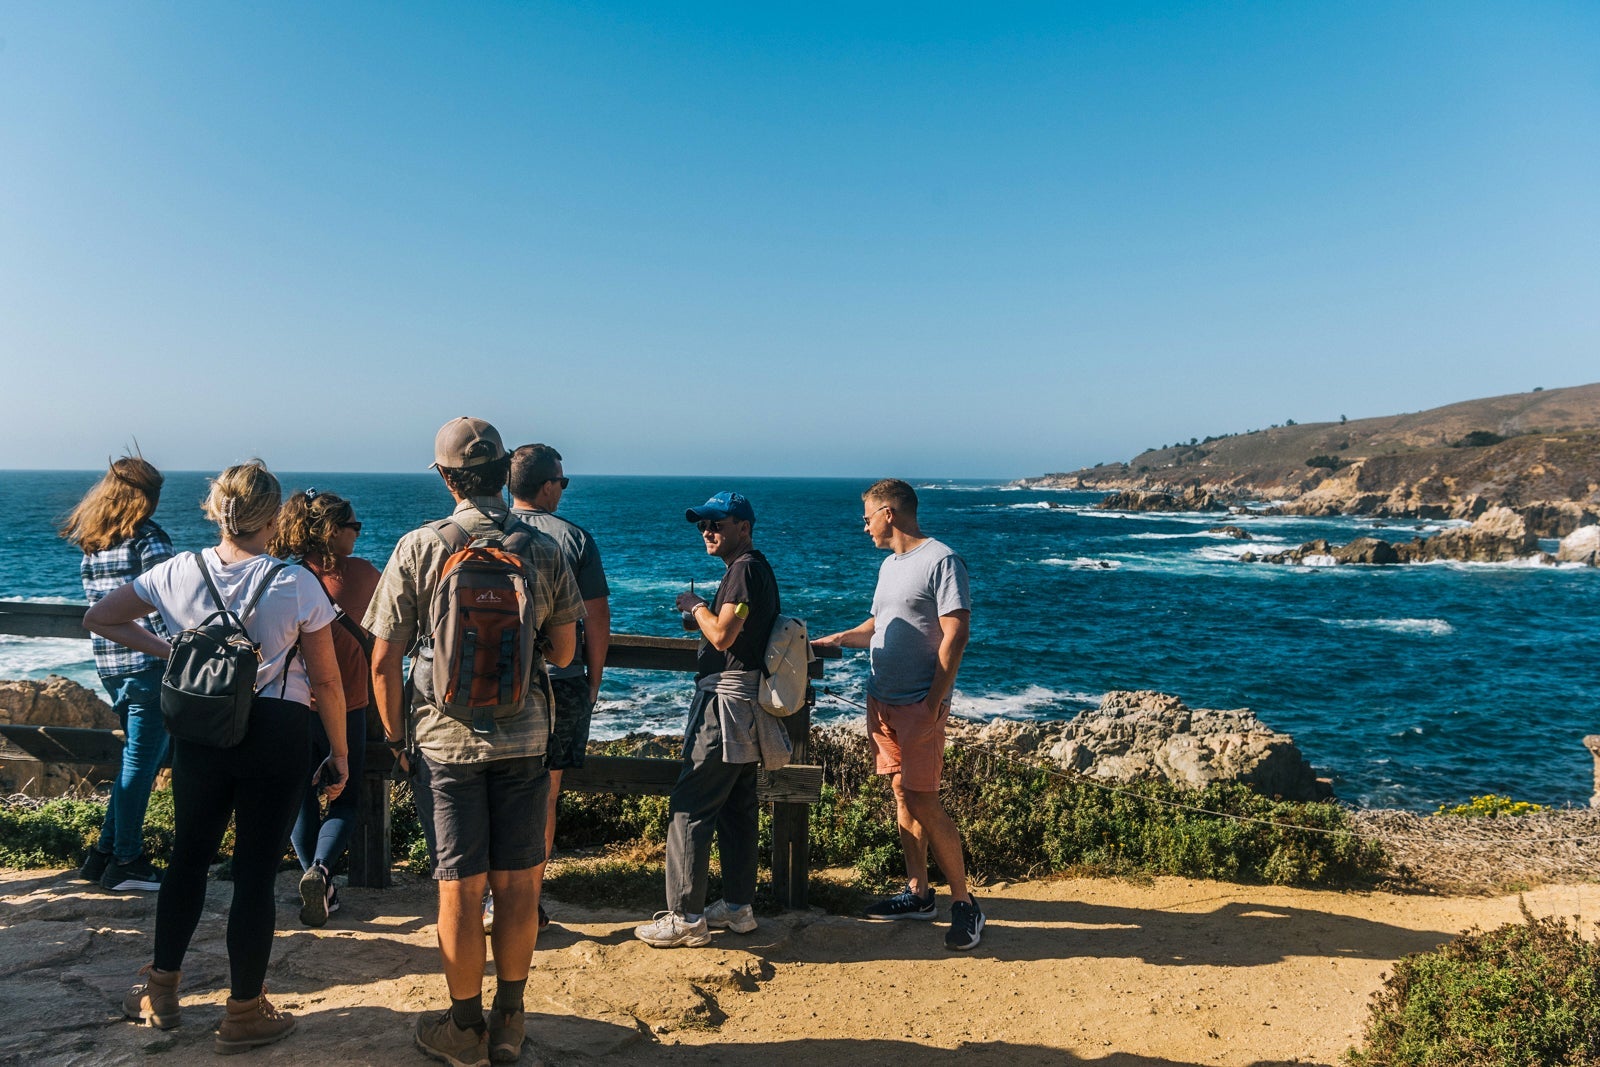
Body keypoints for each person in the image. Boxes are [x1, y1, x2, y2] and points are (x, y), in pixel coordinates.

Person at [84, 460, 349, 1052]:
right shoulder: (294, 582)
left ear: (216, 509)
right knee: (255, 872)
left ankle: (162, 990)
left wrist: (171, 647)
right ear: (274, 517)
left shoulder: (176, 571)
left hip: (201, 729)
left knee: (188, 857)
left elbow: (99, 617)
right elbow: (328, 682)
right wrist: (340, 753)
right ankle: (244, 1012)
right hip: (278, 729)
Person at [364, 417, 582, 1067]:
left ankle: (464, 1027)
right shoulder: (543, 548)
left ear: (447, 476)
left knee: (459, 887)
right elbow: (566, 649)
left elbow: (383, 661)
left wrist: (398, 737)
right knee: (520, 885)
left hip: (445, 742)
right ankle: (510, 1019)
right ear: (503, 472)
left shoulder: (420, 546)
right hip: (524, 740)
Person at [813, 479, 982, 950]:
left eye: (866, 516)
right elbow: (878, 625)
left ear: (888, 513)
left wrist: (933, 702)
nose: (862, 525)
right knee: (902, 794)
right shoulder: (890, 566)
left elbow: (957, 634)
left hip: (917, 706)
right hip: (882, 700)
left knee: (924, 800)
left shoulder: (942, 560)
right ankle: (918, 893)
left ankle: (966, 905)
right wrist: (838, 639)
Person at [635, 491, 790, 949]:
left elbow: (723, 634)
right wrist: (699, 615)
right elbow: (737, 628)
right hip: (748, 705)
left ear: (744, 526)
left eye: (717, 523)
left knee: (690, 807)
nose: (708, 530)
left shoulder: (742, 570)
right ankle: (739, 907)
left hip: (724, 708)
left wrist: (696, 605)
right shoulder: (753, 568)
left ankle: (685, 918)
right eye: (703, 524)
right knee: (737, 808)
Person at [504, 444, 611, 932]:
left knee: (497, 792)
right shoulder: (574, 539)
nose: (563, 490)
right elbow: (597, 616)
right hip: (560, 682)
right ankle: (527, 900)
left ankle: (489, 900)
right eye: (562, 482)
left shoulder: (486, 530)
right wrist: (594, 679)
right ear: (547, 486)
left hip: (495, 679)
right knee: (544, 796)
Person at [61, 455, 176, 894]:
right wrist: (179, 652)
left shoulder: (97, 541)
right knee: (140, 766)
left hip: (111, 665)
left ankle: (103, 855)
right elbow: (166, 602)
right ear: (142, 497)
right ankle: (127, 859)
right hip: (150, 662)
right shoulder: (146, 538)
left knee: (134, 760)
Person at [269, 488, 381, 927]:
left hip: (292, 705)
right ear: (333, 532)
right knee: (346, 799)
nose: (359, 533)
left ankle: (319, 884)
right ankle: (321, 872)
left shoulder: (283, 578)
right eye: (354, 527)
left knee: (300, 800)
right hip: (349, 704)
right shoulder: (365, 575)